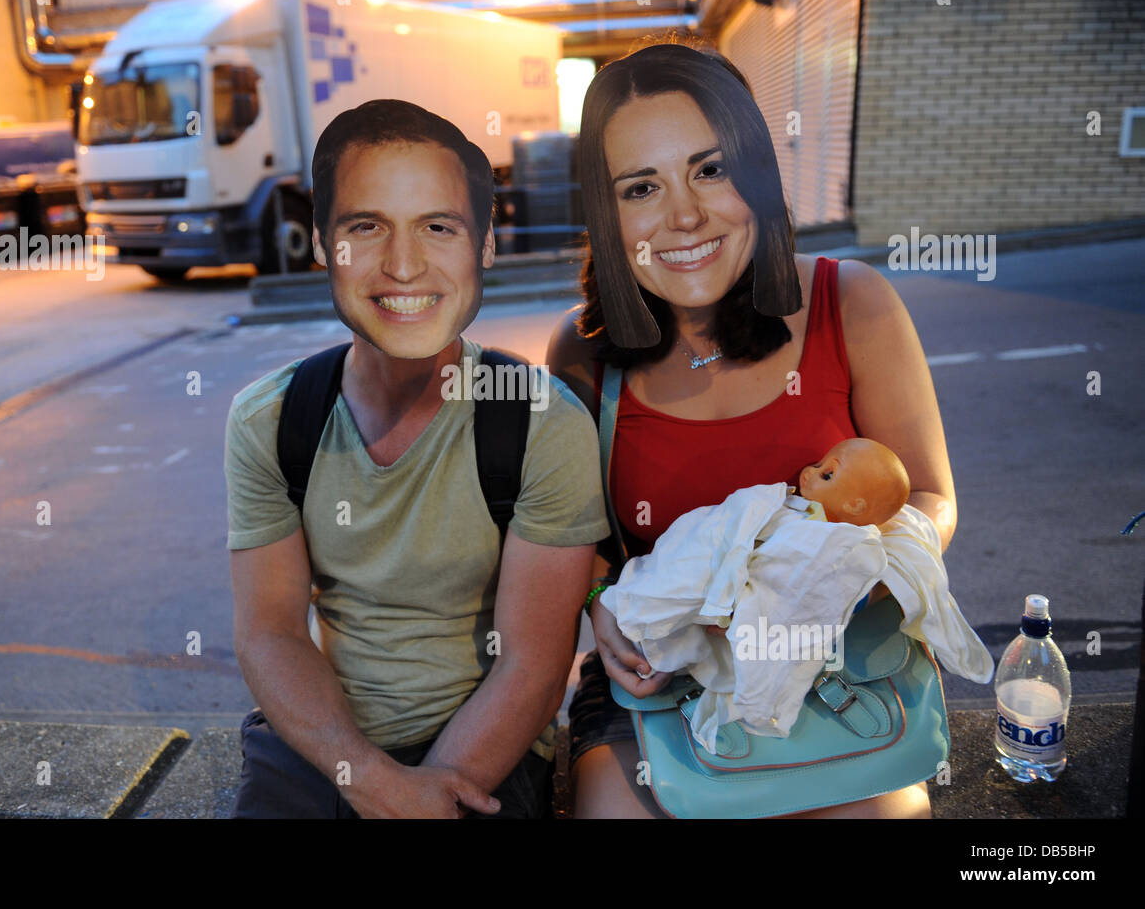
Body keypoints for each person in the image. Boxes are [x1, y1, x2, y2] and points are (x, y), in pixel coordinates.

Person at [546, 42, 957, 819]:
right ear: (609, 212)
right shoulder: (580, 350)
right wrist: (602, 604)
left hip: (838, 669)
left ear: (757, 171)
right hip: (660, 684)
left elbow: (930, 496)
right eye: (641, 187)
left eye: (709, 169)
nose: (685, 216)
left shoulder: (854, 302)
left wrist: (847, 578)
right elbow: (583, 550)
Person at [224, 99, 610, 818]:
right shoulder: (271, 420)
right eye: (366, 227)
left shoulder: (541, 424)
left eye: (439, 227)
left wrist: (429, 794)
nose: (403, 265)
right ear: (320, 245)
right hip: (320, 740)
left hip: (485, 744)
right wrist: (366, 776)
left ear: (486, 245)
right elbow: (269, 630)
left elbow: (532, 661)